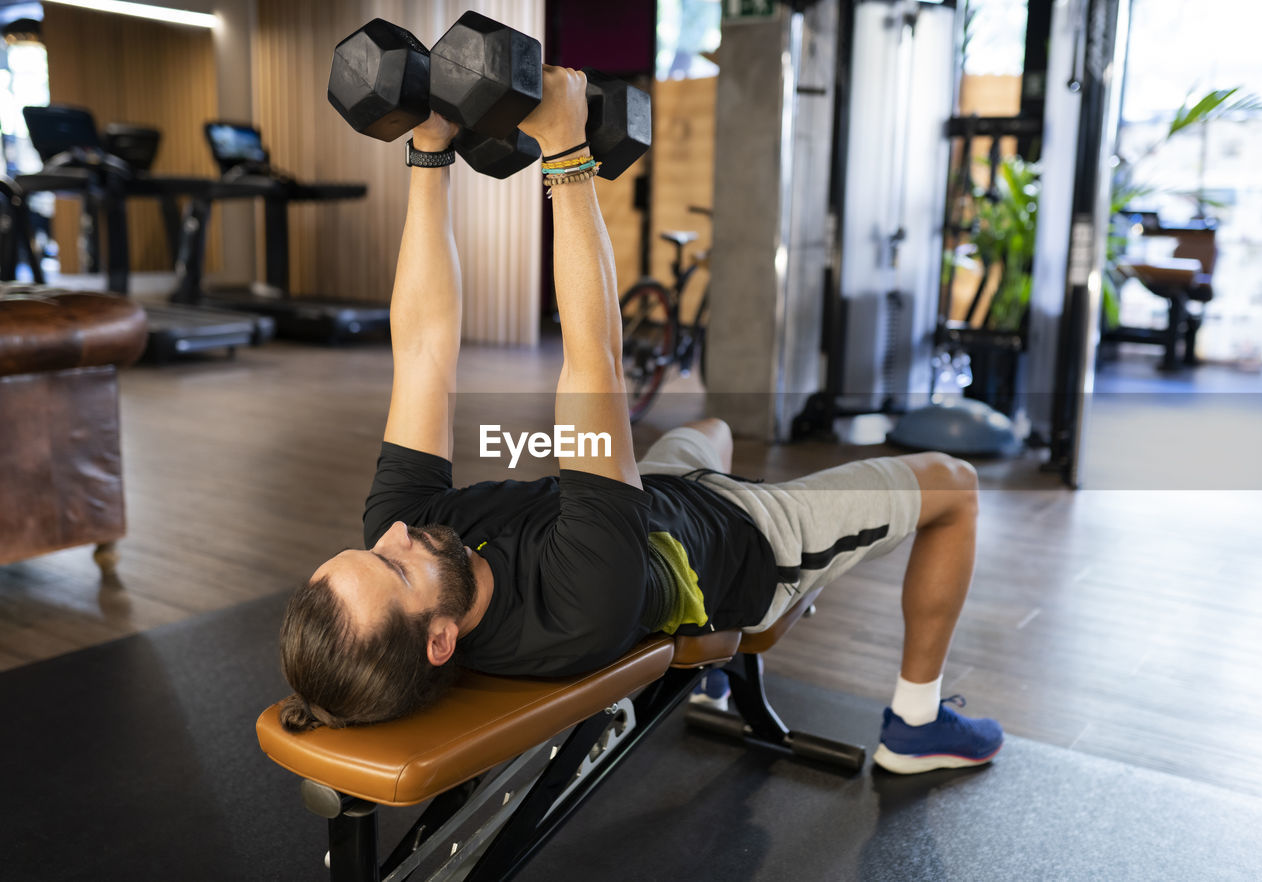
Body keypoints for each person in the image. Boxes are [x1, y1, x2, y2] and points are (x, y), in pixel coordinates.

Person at [277, 65, 1002, 774]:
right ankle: (917, 723)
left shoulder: (410, 539)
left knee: (713, 429)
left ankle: (720, 682)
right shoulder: (575, 606)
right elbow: (592, 361)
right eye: (392, 565)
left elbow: (423, 355)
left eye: (369, 547)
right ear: (440, 642)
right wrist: (565, 151)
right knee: (955, 485)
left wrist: (430, 151)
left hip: (644, 503)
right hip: (743, 538)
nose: (396, 534)